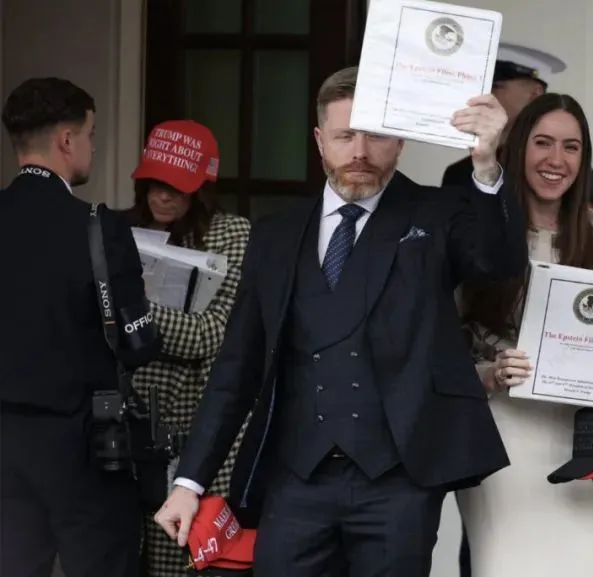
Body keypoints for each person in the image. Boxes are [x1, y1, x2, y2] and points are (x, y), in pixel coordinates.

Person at [152, 65, 526, 577]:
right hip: (295, 479)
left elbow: (498, 261)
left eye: (376, 136)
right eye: (345, 136)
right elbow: (236, 368)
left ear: (400, 141)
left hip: (400, 479)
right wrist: (189, 482)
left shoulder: (436, 214)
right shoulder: (276, 234)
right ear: (319, 141)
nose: (360, 152)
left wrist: (485, 162)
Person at [456, 93, 593, 577]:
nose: (556, 159)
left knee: (587, 565)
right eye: (542, 143)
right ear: (518, 146)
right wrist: (490, 373)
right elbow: (443, 342)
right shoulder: (479, 228)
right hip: (502, 430)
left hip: (583, 436)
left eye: (571, 147)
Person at [0, 77, 161, 577]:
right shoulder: (98, 225)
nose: (93, 145)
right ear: (66, 140)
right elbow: (137, 344)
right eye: (91, 134)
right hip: (84, 445)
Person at [125, 119, 252, 577]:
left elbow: (209, 334)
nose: (162, 196)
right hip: (138, 422)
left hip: (204, 430)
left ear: (201, 188)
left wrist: (129, 307)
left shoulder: (232, 233)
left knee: (202, 558)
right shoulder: (122, 231)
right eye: (154, 184)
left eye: (176, 187)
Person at [441, 43, 593, 214]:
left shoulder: (568, 174)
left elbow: (585, 228)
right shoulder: (461, 173)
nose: (484, 95)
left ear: (535, 94)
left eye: (496, 86)